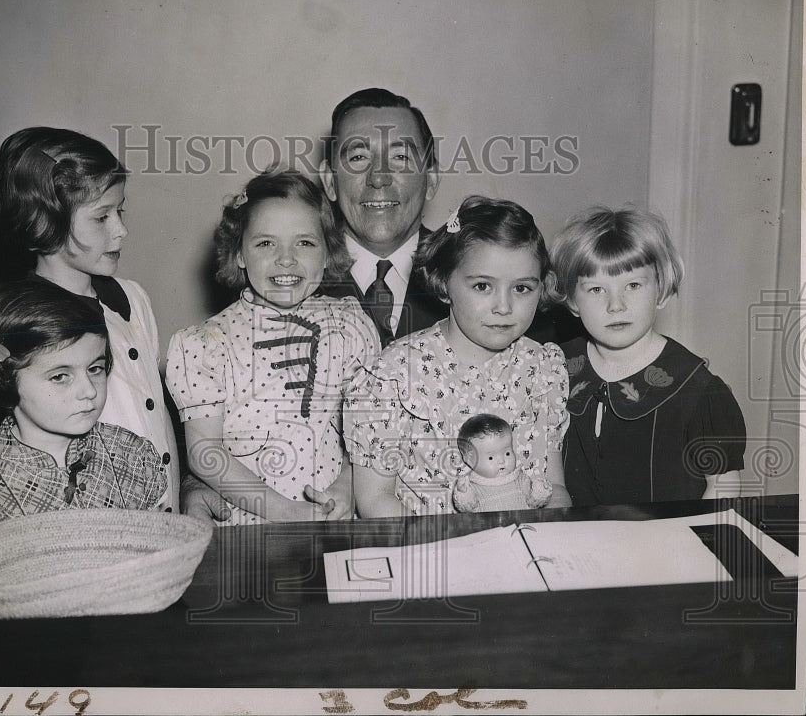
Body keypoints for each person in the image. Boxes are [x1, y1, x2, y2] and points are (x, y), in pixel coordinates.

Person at [166, 169, 381, 525]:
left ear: (328, 253)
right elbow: (205, 453)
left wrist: (349, 485)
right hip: (250, 527)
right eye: (266, 243)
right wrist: (286, 511)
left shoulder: (350, 326)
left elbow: (370, 429)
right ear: (239, 253)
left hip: (338, 520)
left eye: (305, 243)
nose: (286, 258)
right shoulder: (207, 344)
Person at [0, 127, 180, 510]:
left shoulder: (132, 298)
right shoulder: (23, 323)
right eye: (101, 217)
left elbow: (153, 411)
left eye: (119, 211)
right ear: (44, 221)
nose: (121, 230)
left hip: (165, 510)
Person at [344, 196, 572, 517]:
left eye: (521, 288)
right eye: (483, 286)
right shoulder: (393, 375)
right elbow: (375, 500)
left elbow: (554, 487)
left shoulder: (543, 370)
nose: (504, 307)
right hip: (426, 543)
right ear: (443, 282)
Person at [319, 87, 566, 347]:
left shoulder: (513, 295)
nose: (378, 178)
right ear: (330, 182)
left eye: (400, 157)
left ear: (432, 179)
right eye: (358, 157)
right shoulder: (296, 281)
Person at [0, 281, 170, 541]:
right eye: (60, 376)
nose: (89, 390)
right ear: (5, 381)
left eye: (95, 369)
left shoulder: (130, 453)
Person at [550, 207, 746, 505]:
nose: (616, 305)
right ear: (573, 300)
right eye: (596, 289)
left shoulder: (698, 389)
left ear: (661, 290)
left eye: (633, 285)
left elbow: (723, 487)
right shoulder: (554, 367)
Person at [452, 414, 550, 513]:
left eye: (507, 453)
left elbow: (533, 502)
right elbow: (468, 507)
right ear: (470, 459)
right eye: (491, 457)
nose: (502, 461)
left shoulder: (520, 479)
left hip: (522, 522)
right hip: (490, 523)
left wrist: (541, 491)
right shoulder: (473, 487)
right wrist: (463, 492)